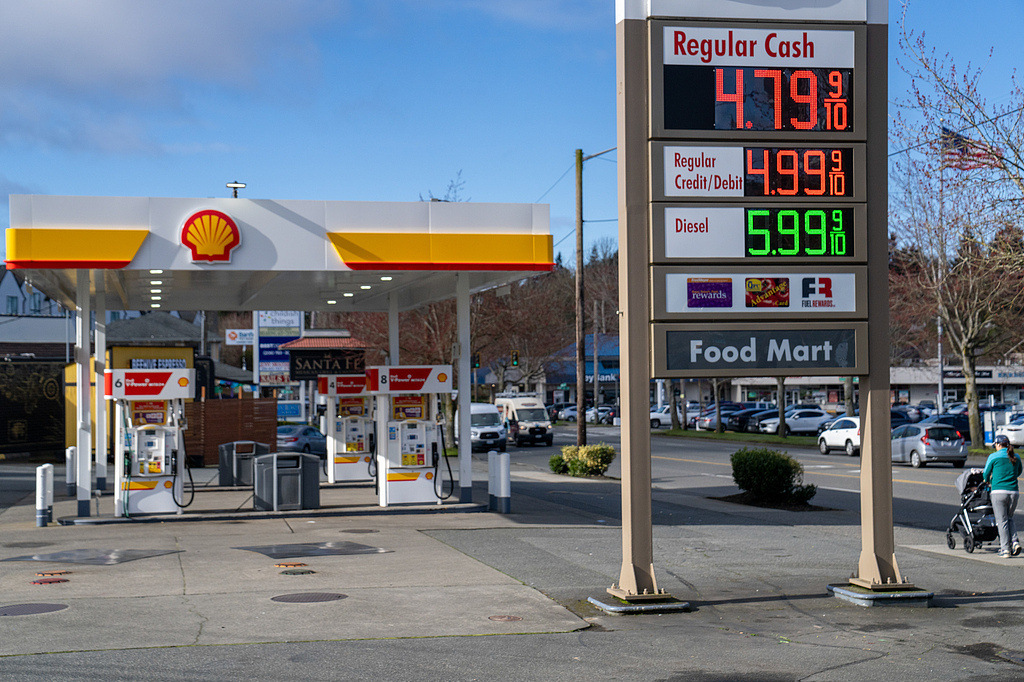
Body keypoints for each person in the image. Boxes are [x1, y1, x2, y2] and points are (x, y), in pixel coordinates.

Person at [983, 434, 1023, 558]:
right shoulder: (1016, 456)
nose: (995, 447)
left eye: (995, 445)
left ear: (999, 445)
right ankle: (1015, 542)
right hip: (1014, 492)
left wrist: (987, 480)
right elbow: (1019, 471)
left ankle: (1005, 549)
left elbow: (986, 473)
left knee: (1002, 521)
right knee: (1009, 518)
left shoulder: (993, 456)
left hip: (998, 492)